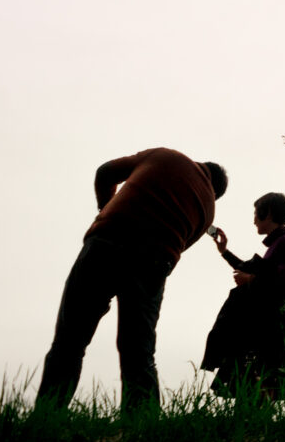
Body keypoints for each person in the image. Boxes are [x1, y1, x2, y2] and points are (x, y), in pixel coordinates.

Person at [37, 147, 228, 414]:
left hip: (107, 243)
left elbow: (105, 172)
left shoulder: (166, 156)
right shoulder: (208, 211)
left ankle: (48, 416)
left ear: (200, 164)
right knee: (138, 350)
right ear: (215, 192)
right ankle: (140, 424)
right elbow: (177, 247)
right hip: (153, 263)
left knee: (70, 339)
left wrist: (107, 209)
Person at [201, 192, 285, 401]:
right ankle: (251, 428)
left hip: (271, 325)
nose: (254, 219)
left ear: (269, 214)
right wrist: (224, 251)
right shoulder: (278, 244)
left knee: (261, 381)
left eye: (257, 214)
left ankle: (254, 427)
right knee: (251, 381)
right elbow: (254, 270)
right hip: (262, 321)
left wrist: (251, 281)